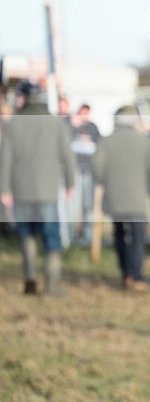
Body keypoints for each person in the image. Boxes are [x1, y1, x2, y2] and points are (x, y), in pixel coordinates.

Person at [0, 83, 76, 295]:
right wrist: (70, 184)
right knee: (51, 237)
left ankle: (30, 281)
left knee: (26, 234)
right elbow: (67, 157)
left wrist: (4, 188)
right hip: (47, 192)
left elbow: (5, 158)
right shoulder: (55, 123)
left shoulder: (14, 124)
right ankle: (52, 287)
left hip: (21, 192)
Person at [93, 105, 150, 290]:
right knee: (137, 236)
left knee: (120, 234)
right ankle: (136, 275)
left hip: (114, 198)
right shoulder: (143, 141)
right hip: (137, 198)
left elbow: (97, 169)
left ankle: (125, 273)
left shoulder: (106, 141)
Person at [69, 103, 101, 244]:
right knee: (74, 205)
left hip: (88, 169)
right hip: (76, 168)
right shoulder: (72, 125)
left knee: (88, 204)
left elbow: (100, 145)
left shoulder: (92, 127)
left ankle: (87, 237)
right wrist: (73, 126)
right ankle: (71, 236)